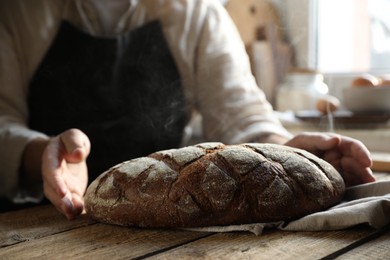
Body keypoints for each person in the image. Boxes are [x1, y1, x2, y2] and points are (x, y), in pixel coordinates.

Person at [0, 0, 375, 219]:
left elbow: (243, 117)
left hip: (173, 219)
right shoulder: (16, 13)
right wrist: (41, 154)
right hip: (39, 217)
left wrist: (287, 154)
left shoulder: (199, 13)